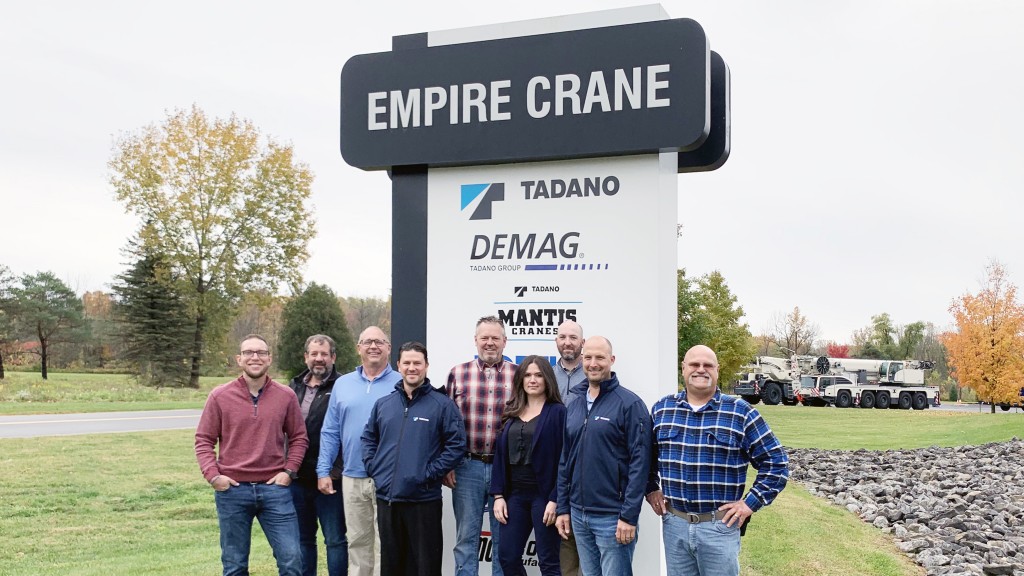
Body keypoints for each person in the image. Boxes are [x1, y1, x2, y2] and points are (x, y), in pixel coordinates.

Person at [645, 345, 789, 576]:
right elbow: (646, 458)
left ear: (717, 370)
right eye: (694, 364)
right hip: (675, 525)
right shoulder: (663, 409)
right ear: (683, 369)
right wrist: (651, 487)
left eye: (707, 365)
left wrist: (749, 504)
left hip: (719, 527)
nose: (700, 370)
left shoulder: (740, 412)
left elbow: (777, 463)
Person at [195, 334, 308, 576]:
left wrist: (289, 471)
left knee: (292, 560)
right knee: (234, 564)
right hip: (232, 491)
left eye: (261, 352)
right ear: (239, 359)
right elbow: (204, 439)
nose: (254, 357)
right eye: (248, 353)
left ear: (269, 359)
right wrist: (213, 476)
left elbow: (299, 437)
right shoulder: (219, 396)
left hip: (275, 490)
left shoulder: (285, 395)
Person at [361, 342, 467, 576]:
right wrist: (375, 468)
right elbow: (368, 439)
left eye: (417, 363)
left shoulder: (442, 405)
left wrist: (427, 474)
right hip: (387, 499)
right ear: (398, 365)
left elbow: (456, 445)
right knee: (392, 566)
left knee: (424, 567)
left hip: (423, 501)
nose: (412, 367)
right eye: (406, 362)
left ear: (426, 366)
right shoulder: (384, 404)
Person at [555, 336, 651, 576]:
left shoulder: (630, 404)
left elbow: (640, 464)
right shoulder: (575, 404)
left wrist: (629, 516)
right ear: (581, 359)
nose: (593, 363)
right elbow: (565, 460)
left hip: (612, 517)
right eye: (588, 357)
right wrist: (564, 508)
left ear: (612, 360)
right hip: (578, 513)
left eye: (600, 357)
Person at [318, 326, 402, 576]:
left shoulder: (401, 382)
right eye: (367, 342)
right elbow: (330, 431)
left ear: (388, 347)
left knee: (385, 542)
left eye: (379, 341)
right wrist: (323, 470)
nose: (373, 346)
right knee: (357, 541)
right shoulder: (343, 384)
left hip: (389, 477)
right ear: (358, 348)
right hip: (352, 475)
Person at [445, 315, 518, 576]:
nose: (489, 343)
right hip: (467, 467)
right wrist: (448, 464)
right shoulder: (457, 374)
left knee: (504, 540)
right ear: (475, 341)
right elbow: (447, 424)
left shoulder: (518, 375)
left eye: (495, 338)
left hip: (506, 469)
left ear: (505, 342)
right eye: (484, 338)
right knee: (466, 538)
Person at [490, 355, 566, 576]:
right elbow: (500, 455)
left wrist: (555, 498)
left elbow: (565, 458)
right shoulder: (511, 410)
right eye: (528, 375)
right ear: (520, 380)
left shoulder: (558, 412)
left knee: (548, 561)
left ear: (547, 379)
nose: (533, 380)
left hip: (544, 496)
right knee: (507, 556)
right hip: (515, 496)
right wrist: (498, 496)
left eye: (539, 375)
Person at [287, 334, 348, 576]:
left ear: (333, 357)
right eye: (314, 354)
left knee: (335, 540)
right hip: (298, 479)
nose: (319, 359)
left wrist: (335, 471)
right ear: (306, 357)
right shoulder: (293, 387)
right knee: (303, 540)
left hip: (332, 480)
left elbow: (348, 434)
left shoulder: (344, 386)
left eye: (324, 354)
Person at [551, 320, 585, 576]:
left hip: (583, 462)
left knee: (583, 535)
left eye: (573, 337)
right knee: (561, 536)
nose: (567, 342)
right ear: (556, 342)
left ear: (581, 343)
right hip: (551, 462)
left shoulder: (594, 372)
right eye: (562, 337)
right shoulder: (546, 374)